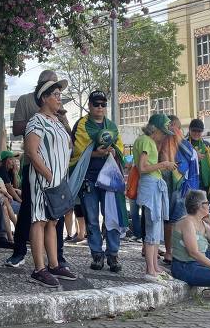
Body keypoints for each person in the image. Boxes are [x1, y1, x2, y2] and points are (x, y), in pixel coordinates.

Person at [5, 70, 71, 268]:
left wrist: (60, 118)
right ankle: (22, 254)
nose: (57, 94)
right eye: (52, 89)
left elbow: (68, 140)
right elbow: (19, 132)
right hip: (36, 169)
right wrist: (43, 115)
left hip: (57, 174)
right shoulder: (27, 103)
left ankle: (56, 259)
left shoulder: (56, 115)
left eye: (58, 90)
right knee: (31, 213)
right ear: (42, 88)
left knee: (54, 216)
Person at [24, 79, 78, 287]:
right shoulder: (36, 121)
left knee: (53, 221)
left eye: (59, 94)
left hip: (58, 180)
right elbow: (31, 151)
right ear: (44, 98)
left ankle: (54, 264)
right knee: (39, 220)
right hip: (43, 179)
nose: (59, 98)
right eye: (55, 94)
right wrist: (47, 173)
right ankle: (39, 268)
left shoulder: (57, 121)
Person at [69, 90, 126, 272]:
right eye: (96, 104)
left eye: (103, 104)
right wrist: (96, 153)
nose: (100, 107)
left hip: (110, 180)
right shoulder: (82, 125)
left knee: (112, 217)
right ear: (89, 105)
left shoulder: (112, 126)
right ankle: (96, 255)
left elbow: (121, 148)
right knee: (92, 219)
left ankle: (113, 254)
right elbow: (76, 153)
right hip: (89, 179)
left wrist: (114, 152)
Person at [134, 113, 176, 280]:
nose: (165, 136)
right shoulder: (146, 141)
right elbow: (143, 167)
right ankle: (150, 269)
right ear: (156, 129)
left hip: (153, 184)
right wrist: (164, 164)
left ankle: (154, 266)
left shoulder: (147, 141)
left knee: (156, 226)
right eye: (164, 132)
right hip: (150, 185)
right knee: (153, 227)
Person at [160, 115, 183, 263]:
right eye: (177, 127)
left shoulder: (166, 138)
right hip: (168, 177)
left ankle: (171, 251)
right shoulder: (166, 138)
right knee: (170, 218)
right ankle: (169, 251)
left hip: (176, 178)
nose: (178, 130)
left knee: (173, 218)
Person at [187, 119, 210, 193]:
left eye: (199, 131)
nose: (196, 133)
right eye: (194, 130)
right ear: (189, 130)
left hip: (206, 181)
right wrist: (195, 159)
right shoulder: (185, 144)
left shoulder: (207, 145)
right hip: (191, 180)